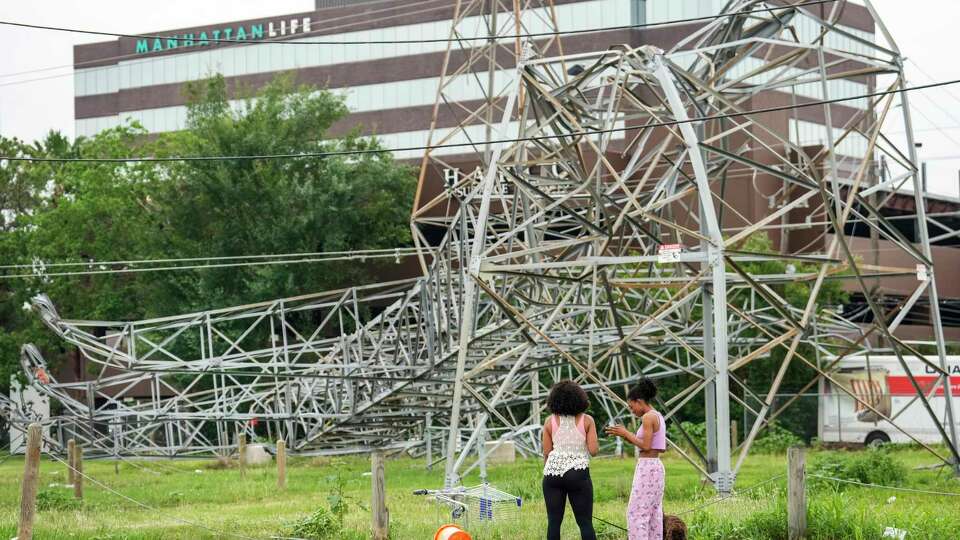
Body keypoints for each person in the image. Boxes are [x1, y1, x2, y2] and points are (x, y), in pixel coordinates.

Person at [604, 378, 666, 540]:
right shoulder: (657, 415)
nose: (631, 410)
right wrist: (627, 436)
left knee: (636, 512)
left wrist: (626, 433)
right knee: (653, 513)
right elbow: (652, 445)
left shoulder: (647, 418)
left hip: (647, 467)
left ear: (639, 401)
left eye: (631, 406)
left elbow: (645, 446)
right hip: (656, 466)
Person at [542, 380, 600, 540]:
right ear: (579, 398)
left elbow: (546, 452)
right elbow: (593, 451)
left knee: (553, 522)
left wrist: (548, 473)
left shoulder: (549, 421)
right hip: (577, 473)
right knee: (585, 523)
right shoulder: (587, 420)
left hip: (552, 473)